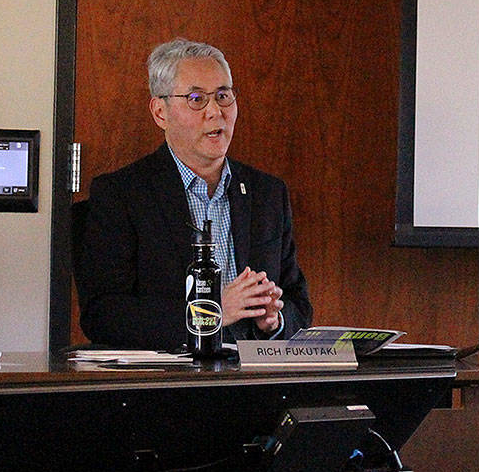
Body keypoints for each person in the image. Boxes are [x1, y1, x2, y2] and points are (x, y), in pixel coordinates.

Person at [77, 38, 312, 349]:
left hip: (253, 379)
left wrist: (275, 321)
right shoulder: (122, 194)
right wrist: (210, 312)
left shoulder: (268, 194)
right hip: (170, 383)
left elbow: (298, 304)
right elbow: (103, 315)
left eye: (223, 96)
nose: (216, 112)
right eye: (197, 99)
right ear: (161, 112)